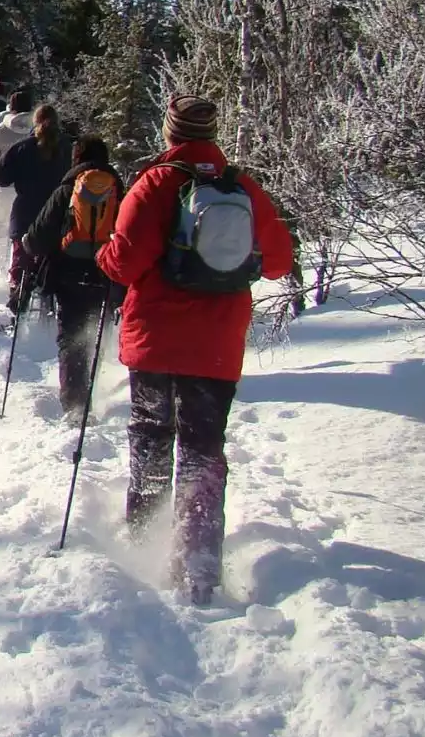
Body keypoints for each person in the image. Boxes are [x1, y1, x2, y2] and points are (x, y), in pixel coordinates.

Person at [95, 94, 294, 604]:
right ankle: (199, 558)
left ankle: (145, 539)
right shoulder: (242, 187)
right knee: (203, 446)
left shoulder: (155, 184)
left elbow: (124, 264)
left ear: (169, 132)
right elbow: (277, 262)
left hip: (156, 340)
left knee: (151, 437)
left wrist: (103, 251)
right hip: (216, 345)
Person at [20, 136, 126, 421]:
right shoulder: (120, 191)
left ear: (76, 158)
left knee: (70, 335)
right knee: (95, 331)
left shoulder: (67, 190)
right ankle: (91, 389)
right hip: (106, 274)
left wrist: (28, 245)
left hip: (68, 273)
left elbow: (37, 238)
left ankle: (74, 404)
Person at [0, 104, 71, 314]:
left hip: (25, 214)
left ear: (34, 122)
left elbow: (0, 177)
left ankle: (17, 304)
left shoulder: (22, 147)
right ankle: (48, 306)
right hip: (57, 215)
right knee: (50, 261)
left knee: (22, 261)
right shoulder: (68, 148)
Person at [0, 90, 36, 273]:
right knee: (23, 230)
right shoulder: (37, 130)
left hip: (3, 188)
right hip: (30, 189)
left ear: (11, 108)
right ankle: (17, 268)